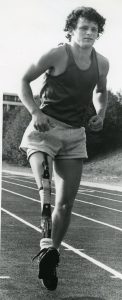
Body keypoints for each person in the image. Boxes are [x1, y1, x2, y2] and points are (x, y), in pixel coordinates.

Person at [19, 6, 109, 290]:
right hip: (44, 131)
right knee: (45, 191)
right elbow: (23, 81)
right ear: (71, 30)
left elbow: (100, 91)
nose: (89, 33)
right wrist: (35, 112)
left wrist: (101, 113)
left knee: (66, 203)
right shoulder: (57, 54)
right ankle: (45, 242)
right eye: (84, 28)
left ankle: (52, 253)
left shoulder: (102, 63)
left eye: (94, 29)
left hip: (74, 135)